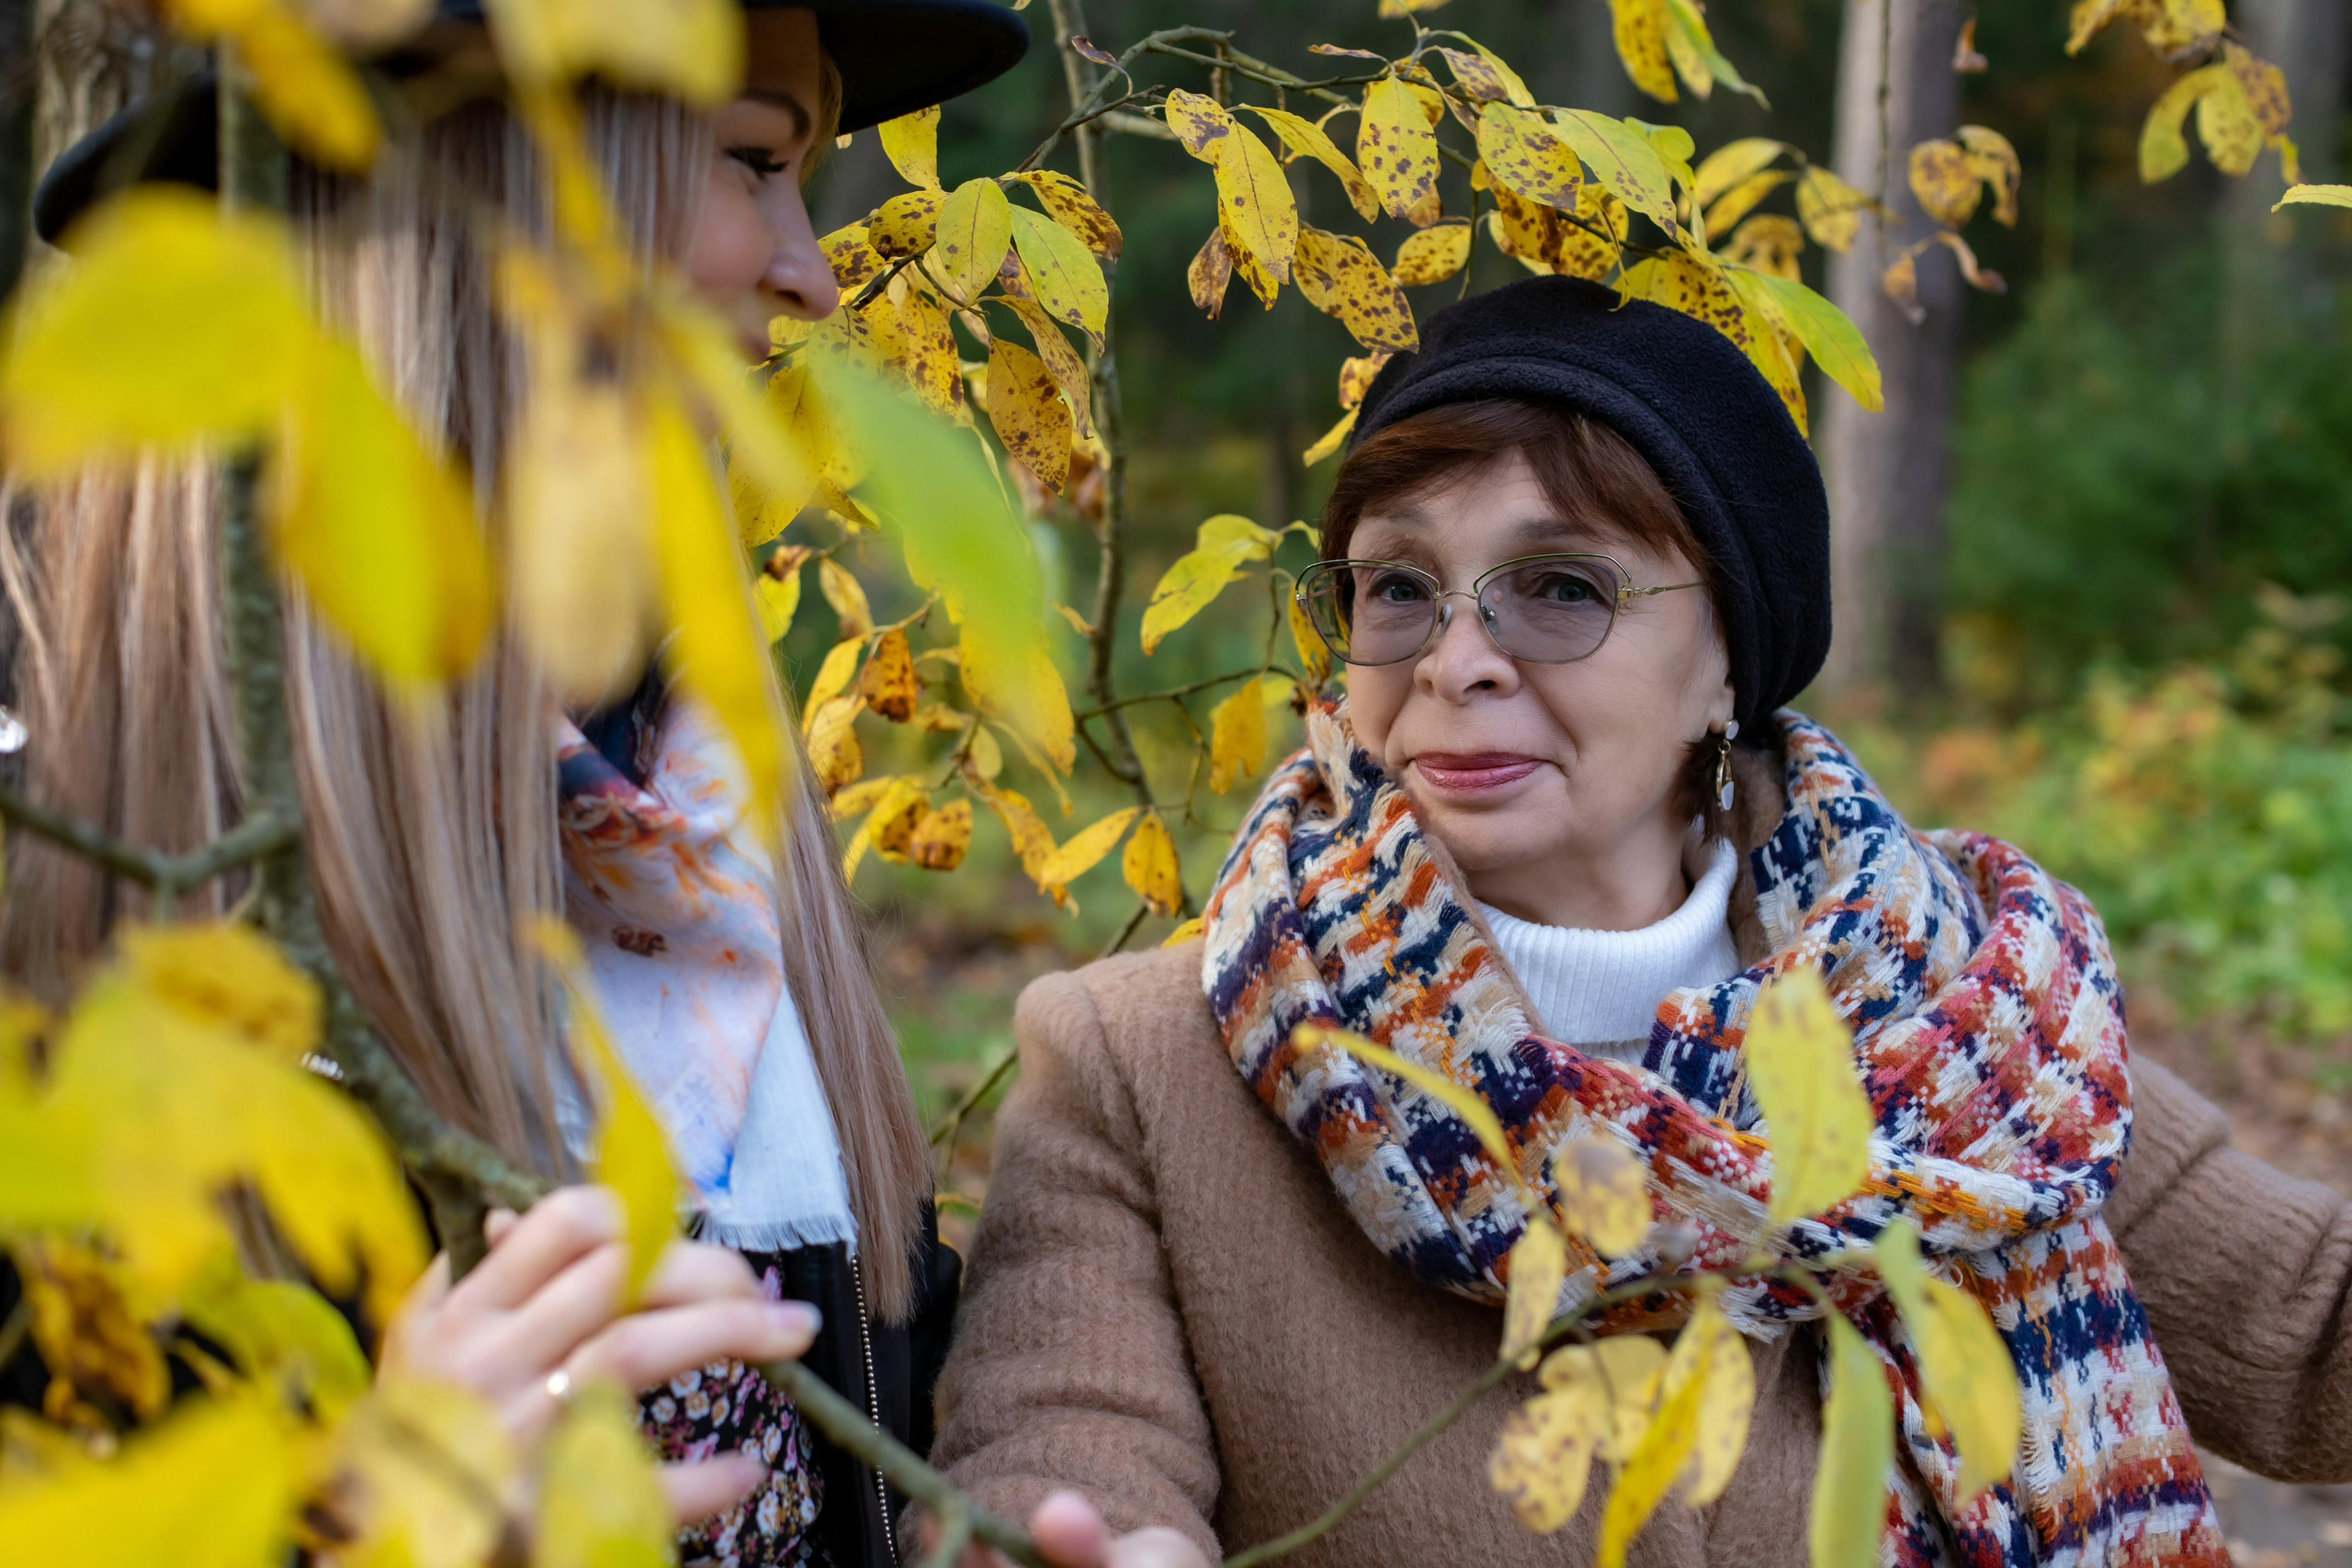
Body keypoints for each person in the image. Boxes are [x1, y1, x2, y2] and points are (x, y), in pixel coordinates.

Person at [930, 276, 2352, 1567]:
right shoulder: (1141, 1072)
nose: (1459, 658)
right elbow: (1061, 1447)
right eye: (1399, 587)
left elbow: (2313, 1336)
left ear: (1729, 657)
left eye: (1562, 589)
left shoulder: (1980, 1041)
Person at [4, 5, 1166, 1566]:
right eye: (753, 158)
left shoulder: (682, 802)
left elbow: (867, 1430)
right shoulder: (54, 824)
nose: (811, 273)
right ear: (481, 185)